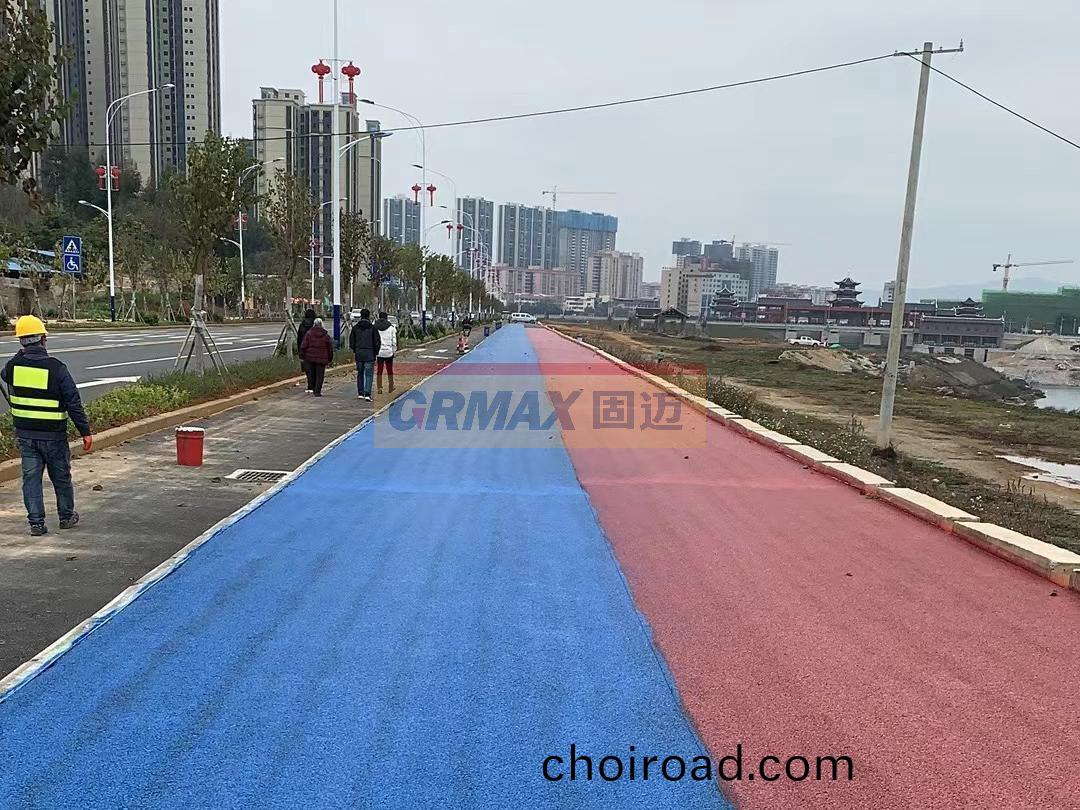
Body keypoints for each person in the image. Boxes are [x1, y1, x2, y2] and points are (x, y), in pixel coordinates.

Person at [1, 316, 93, 536]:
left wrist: (22, 354)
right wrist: (85, 432)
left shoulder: (13, 367)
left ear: (21, 341)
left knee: (31, 479)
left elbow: (4, 374)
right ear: (43, 339)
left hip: (26, 436)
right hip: (53, 436)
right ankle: (66, 516)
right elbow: (73, 403)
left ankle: (36, 523)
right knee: (61, 477)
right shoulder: (56, 368)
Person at [348, 308, 380, 401]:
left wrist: (356, 350)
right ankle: (367, 393)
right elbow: (377, 342)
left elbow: (351, 342)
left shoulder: (355, 328)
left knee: (360, 373)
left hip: (359, 354)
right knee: (369, 374)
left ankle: (360, 393)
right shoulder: (373, 328)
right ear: (369, 316)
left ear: (361, 316)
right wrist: (375, 353)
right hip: (370, 354)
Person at [299, 317, 334, 397]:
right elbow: (329, 348)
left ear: (314, 324)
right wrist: (330, 358)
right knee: (320, 375)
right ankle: (317, 391)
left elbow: (303, 346)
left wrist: (302, 355)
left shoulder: (309, 333)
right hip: (322, 358)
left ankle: (314, 388)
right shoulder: (325, 335)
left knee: (312, 374)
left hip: (310, 357)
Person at [373, 311, 397, 395]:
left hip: (379, 352)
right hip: (389, 352)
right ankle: (391, 386)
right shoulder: (391, 328)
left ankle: (379, 387)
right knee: (389, 370)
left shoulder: (375, 327)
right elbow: (394, 341)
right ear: (386, 318)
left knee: (379, 370)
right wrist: (394, 350)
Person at [296, 309, 317, 392]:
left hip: (305, 349)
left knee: (307, 368)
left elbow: (299, 339)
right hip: (314, 349)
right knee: (315, 367)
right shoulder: (315, 325)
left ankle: (310, 385)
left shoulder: (302, 325)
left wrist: (300, 350)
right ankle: (315, 385)